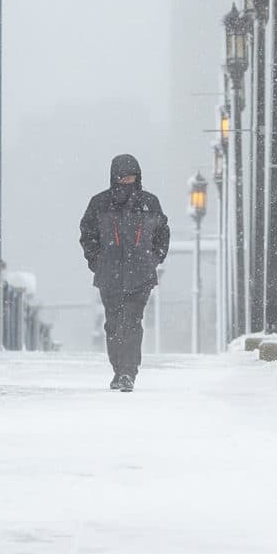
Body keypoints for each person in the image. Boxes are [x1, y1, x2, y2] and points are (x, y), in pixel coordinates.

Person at [78, 154, 170, 392]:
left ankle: (128, 371)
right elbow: (87, 234)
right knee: (113, 324)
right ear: (115, 177)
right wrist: (97, 261)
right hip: (109, 276)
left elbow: (162, 233)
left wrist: (153, 258)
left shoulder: (150, 203)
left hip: (140, 276)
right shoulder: (99, 204)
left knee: (131, 322)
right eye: (124, 177)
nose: (128, 181)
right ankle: (119, 369)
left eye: (132, 177)